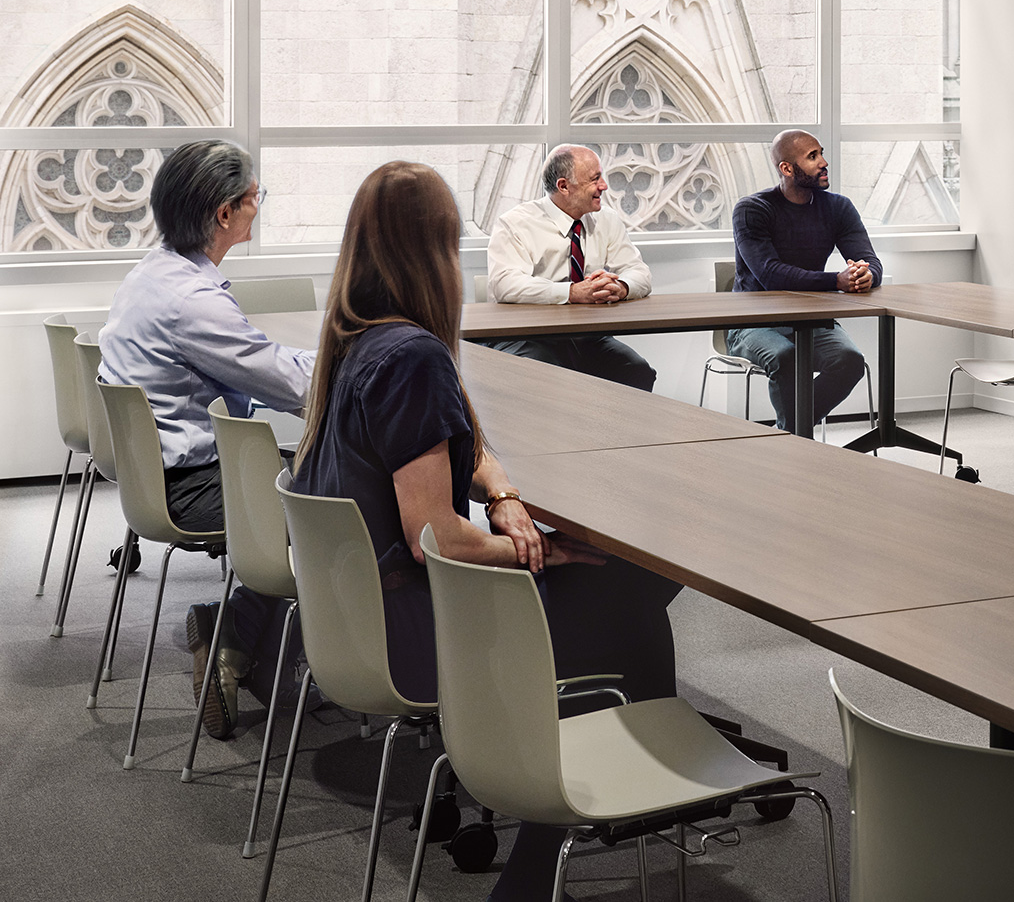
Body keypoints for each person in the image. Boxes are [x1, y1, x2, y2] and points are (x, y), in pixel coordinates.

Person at [292, 160, 681, 902]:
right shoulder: (413, 358)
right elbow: (435, 536)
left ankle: (619, 793)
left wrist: (501, 493)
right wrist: (531, 548)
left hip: (355, 620)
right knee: (632, 587)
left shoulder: (357, 339)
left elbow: (455, 444)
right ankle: (574, 831)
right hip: (417, 633)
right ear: (433, 250)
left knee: (618, 588)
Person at [98, 139, 314, 736]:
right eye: (253, 199)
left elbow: (258, 359)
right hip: (192, 484)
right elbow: (284, 384)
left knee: (319, 474)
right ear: (224, 214)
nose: (256, 208)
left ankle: (253, 645)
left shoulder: (157, 272)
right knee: (344, 500)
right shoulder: (191, 300)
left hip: (164, 473)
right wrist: (360, 363)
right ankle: (239, 639)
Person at [728, 130, 882, 437]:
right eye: (812, 157)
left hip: (812, 320)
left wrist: (866, 275)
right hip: (753, 323)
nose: (824, 162)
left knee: (849, 361)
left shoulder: (839, 208)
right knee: (786, 358)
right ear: (786, 169)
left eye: (821, 153)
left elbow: (870, 260)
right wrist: (837, 281)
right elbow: (772, 274)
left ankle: (789, 434)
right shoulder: (752, 209)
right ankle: (797, 440)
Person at [484, 144, 656, 391]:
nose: (604, 186)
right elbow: (505, 285)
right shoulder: (515, 224)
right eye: (595, 179)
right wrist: (572, 293)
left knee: (637, 372)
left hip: (586, 336)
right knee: (550, 381)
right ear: (563, 186)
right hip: (527, 336)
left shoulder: (606, 219)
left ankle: (611, 431)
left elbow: (639, 272)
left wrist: (620, 286)